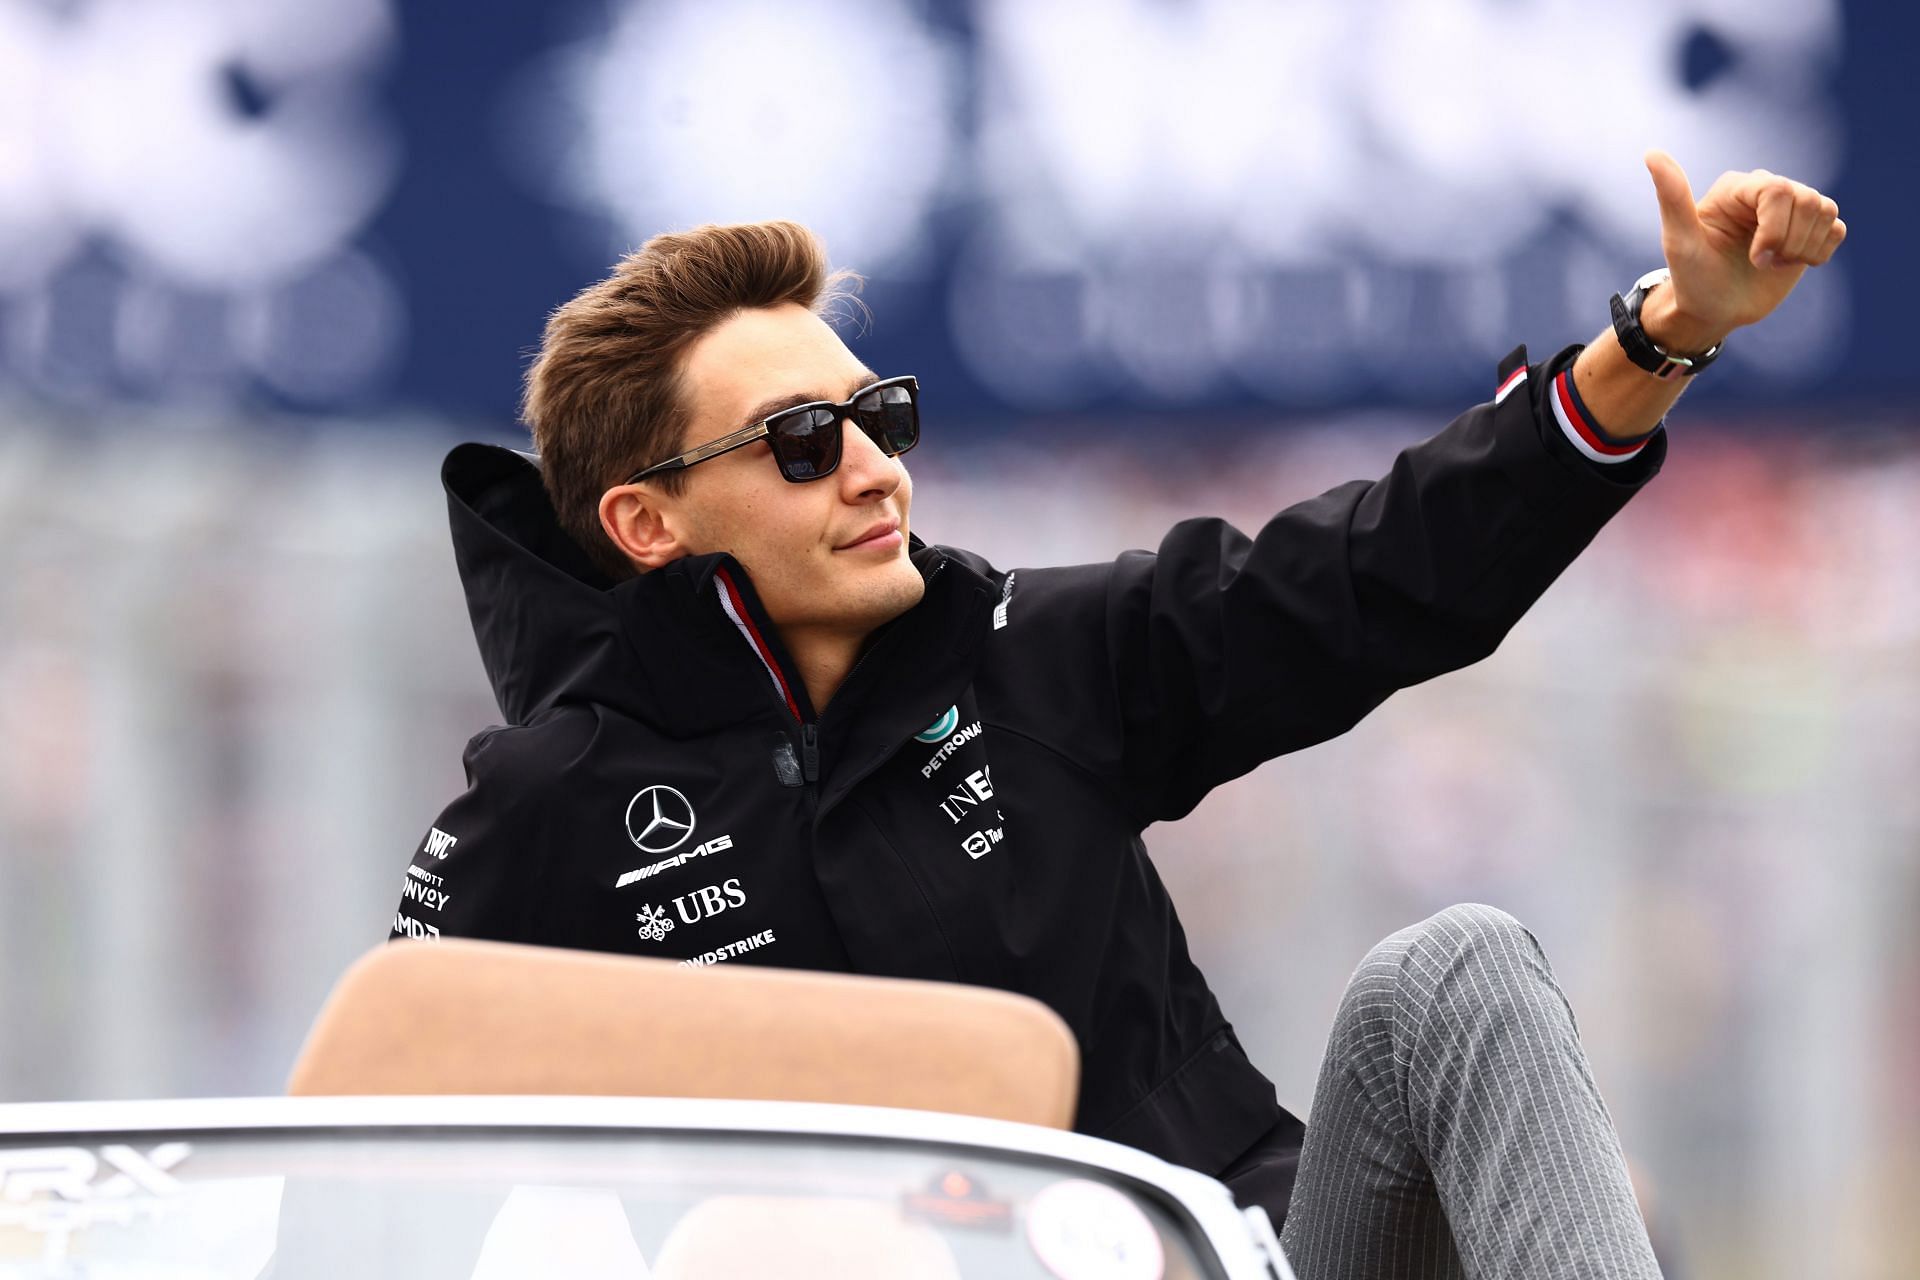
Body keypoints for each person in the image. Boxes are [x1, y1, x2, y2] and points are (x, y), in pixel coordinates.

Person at [390, 152, 1844, 1277]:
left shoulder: (1040, 652)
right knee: (762, 1243)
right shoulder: (541, 816)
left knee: (1458, 980)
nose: (875, 471)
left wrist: (1659, 341)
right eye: (802, 442)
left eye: (880, 417)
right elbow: (357, 1193)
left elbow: (1370, 571)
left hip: (1233, 1254)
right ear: (647, 521)